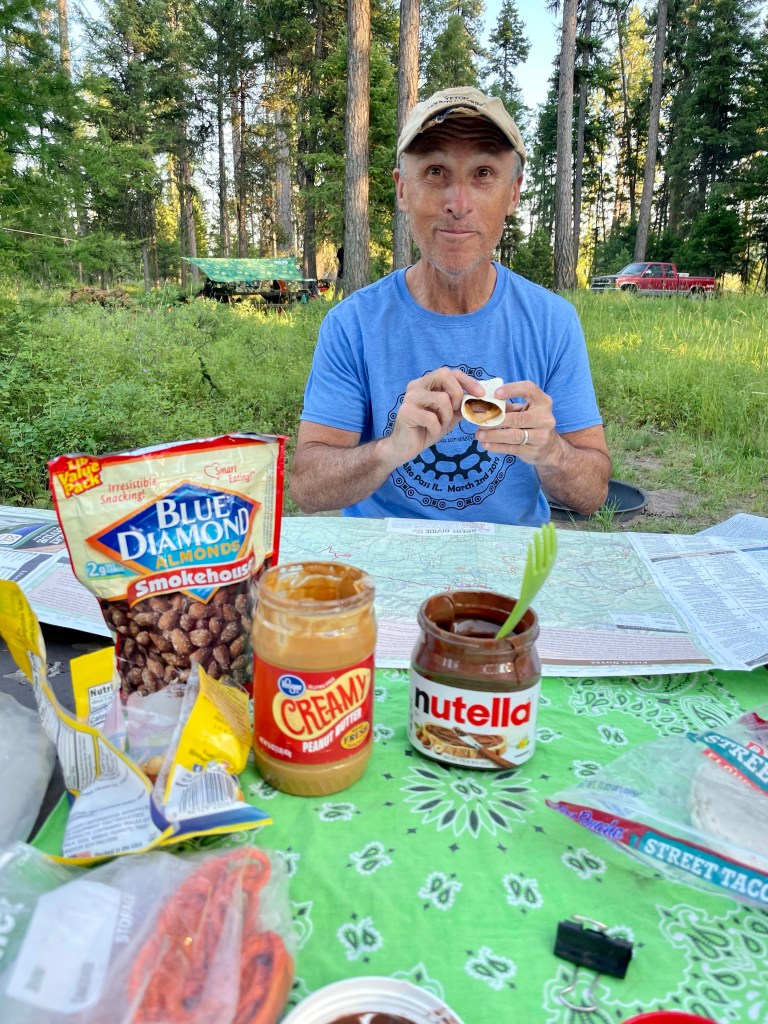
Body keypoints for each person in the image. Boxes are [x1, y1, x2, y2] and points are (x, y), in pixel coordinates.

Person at [290, 87, 611, 526]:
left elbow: (592, 495)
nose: (458, 204)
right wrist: (390, 449)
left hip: (509, 558)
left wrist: (551, 451)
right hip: (385, 555)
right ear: (403, 189)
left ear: (513, 194)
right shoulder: (353, 325)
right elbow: (308, 489)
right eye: (435, 171)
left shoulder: (551, 322)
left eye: (483, 173)